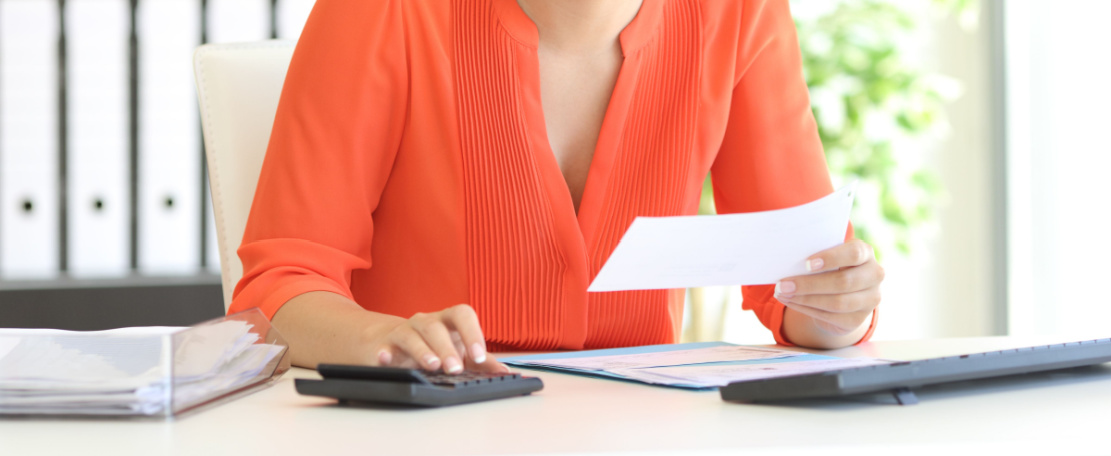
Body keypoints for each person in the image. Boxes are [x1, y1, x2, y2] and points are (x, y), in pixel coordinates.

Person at [230, 0, 885, 374]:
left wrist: (834, 310)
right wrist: (387, 342)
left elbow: (798, 282)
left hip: (640, 435)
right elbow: (279, 293)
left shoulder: (739, 14)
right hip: (426, 431)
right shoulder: (386, 11)